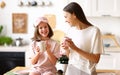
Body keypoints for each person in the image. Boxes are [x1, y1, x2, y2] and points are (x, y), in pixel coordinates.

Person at [61, 2, 104, 75]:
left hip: (87, 71)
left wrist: (75, 48)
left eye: (66, 17)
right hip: (71, 70)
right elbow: (70, 57)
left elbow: (96, 59)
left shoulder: (94, 31)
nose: (65, 20)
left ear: (74, 14)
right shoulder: (70, 31)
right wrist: (66, 49)